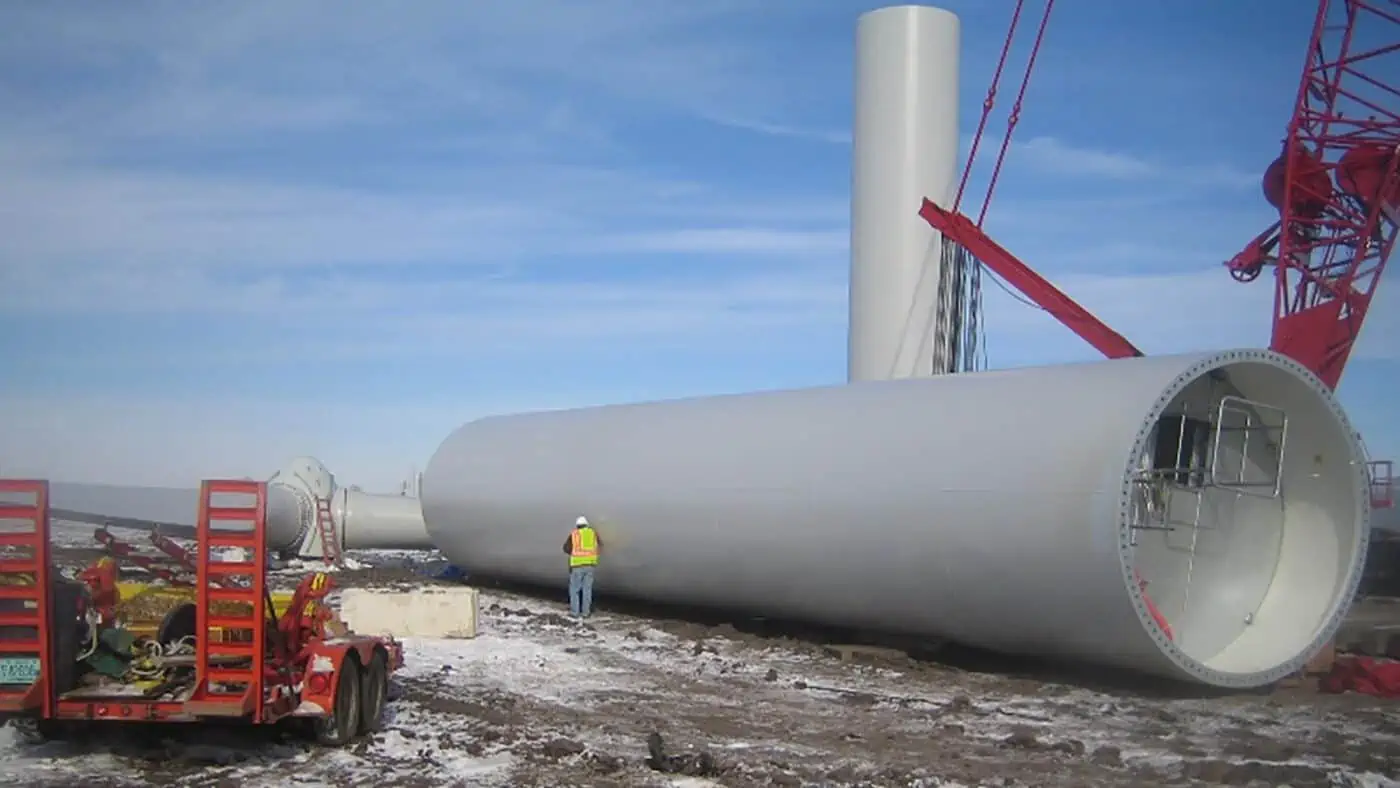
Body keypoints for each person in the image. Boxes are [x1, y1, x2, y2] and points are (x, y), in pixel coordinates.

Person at [562, 515, 602, 619]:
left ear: (577, 525)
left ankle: (575, 612)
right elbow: (599, 545)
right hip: (590, 565)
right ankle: (586, 612)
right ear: (586, 524)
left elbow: (566, 548)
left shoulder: (574, 534)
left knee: (575, 590)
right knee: (587, 589)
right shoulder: (593, 533)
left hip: (577, 566)